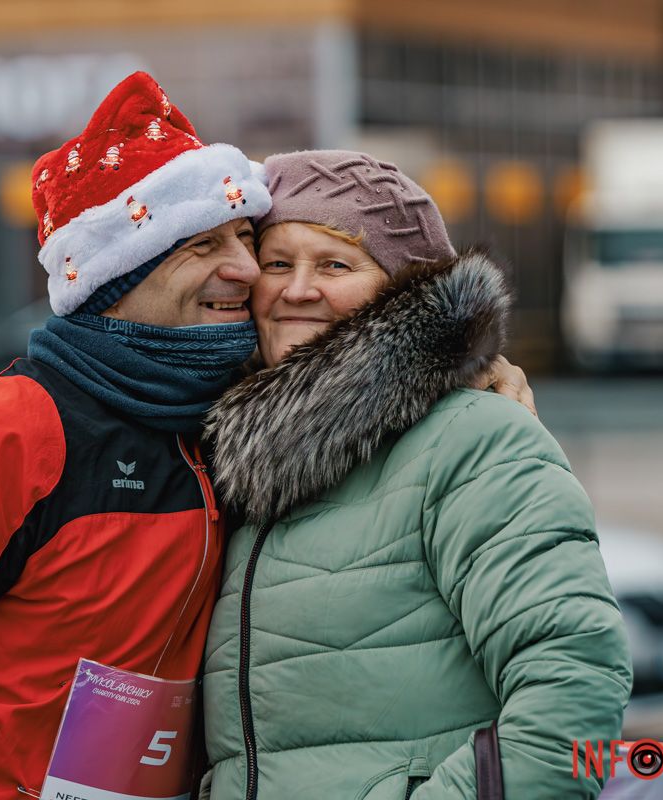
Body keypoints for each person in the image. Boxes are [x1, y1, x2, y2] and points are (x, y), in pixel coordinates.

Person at [0, 73, 530, 798]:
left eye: (244, 237)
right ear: (114, 275)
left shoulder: (233, 426)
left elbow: (357, 383)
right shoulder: (2, 434)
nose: (247, 271)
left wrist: (458, 372)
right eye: (202, 246)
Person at [200, 151, 633, 799]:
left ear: (401, 292)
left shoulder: (474, 438)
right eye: (277, 263)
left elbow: (573, 686)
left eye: (335, 264)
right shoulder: (236, 456)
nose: (296, 289)